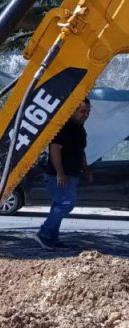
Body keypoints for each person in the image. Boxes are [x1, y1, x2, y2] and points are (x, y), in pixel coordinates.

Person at [36, 99, 92, 250]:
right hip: (58, 176)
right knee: (66, 203)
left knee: (58, 205)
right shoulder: (63, 127)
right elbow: (54, 150)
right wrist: (60, 173)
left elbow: (81, 152)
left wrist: (85, 169)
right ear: (73, 110)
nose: (85, 115)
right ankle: (44, 233)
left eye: (88, 112)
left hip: (72, 175)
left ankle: (52, 238)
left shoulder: (80, 130)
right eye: (82, 111)